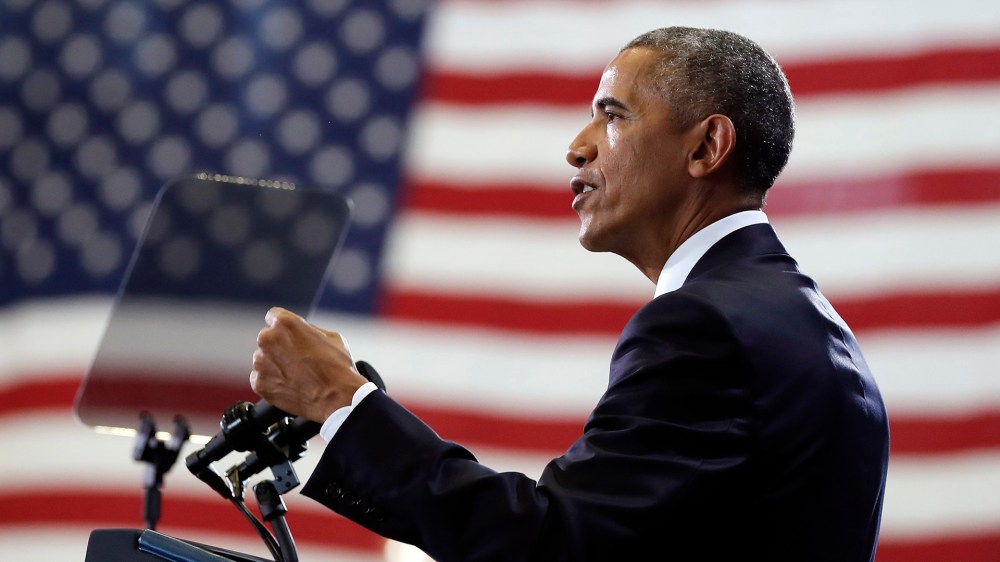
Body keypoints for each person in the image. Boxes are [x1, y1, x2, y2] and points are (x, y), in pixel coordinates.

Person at [251, 26, 890, 561]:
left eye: (612, 114)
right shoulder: (795, 317)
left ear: (706, 147)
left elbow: (553, 546)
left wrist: (343, 403)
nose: (576, 147)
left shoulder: (703, 326)